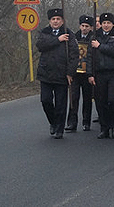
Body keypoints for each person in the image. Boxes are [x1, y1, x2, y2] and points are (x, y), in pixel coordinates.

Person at [36, 8, 79, 139]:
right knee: (46, 100)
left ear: (62, 21)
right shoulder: (44, 32)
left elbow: (74, 54)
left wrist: (70, 72)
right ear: (49, 21)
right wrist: (57, 40)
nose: (55, 21)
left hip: (62, 74)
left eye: (58, 19)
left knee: (61, 103)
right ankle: (53, 122)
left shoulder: (69, 34)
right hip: (46, 73)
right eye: (53, 19)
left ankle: (59, 128)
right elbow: (40, 46)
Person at [90, 12, 114, 139]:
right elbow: (89, 56)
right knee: (101, 101)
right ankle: (104, 127)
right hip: (99, 73)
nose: (106, 25)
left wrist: (99, 46)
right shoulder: (95, 36)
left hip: (113, 72)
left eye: (108, 23)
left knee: (113, 100)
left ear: (112, 24)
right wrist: (90, 74)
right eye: (104, 23)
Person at [65, 15, 94, 132]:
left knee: (87, 98)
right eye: (82, 26)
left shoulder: (93, 38)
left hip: (87, 73)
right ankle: (72, 122)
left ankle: (86, 122)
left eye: (87, 26)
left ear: (91, 27)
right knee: (73, 98)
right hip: (75, 73)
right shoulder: (74, 37)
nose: (84, 28)